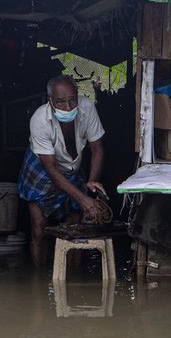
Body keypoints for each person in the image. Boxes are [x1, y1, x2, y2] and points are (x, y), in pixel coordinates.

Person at [18, 75, 107, 266]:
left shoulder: (87, 108)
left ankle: (73, 284)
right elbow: (51, 170)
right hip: (42, 169)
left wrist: (91, 182)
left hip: (72, 168)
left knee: (75, 230)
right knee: (39, 231)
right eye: (61, 102)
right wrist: (83, 199)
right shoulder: (39, 120)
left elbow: (97, 148)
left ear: (78, 96)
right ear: (50, 101)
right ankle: (38, 285)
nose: (68, 107)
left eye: (72, 100)